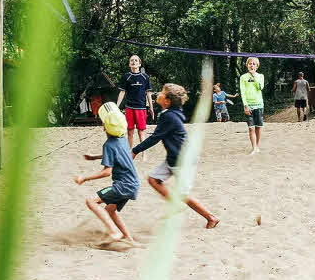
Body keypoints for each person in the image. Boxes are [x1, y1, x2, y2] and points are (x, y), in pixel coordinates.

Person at [132, 83, 220, 229]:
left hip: (183, 161)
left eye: (161, 92)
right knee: (153, 179)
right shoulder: (170, 113)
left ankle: (211, 217)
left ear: (167, 101)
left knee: (183, 194)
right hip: (173, 159)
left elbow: (155, 138)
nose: (158, 94)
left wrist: (135, 151)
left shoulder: (170, 117)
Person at [74, 102, 139, 243]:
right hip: (133, 184)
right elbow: (118, 155)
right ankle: (129, 239)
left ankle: (113, 232)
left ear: (105, 126)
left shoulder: (108, 145)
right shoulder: (122, 139)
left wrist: (84, 178)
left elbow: (106, 172)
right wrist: (95, 157)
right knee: (110, 210)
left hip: (123, 185)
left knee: (91, 201)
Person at [117, 55, 155, 153]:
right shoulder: (126, 76)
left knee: (141, 132)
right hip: (129, 107)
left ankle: (144, 154)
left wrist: (151, 108)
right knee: (129, 132)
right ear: (129, 64)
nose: (134, 62)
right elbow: (122, 92)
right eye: (131, 60)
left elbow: (148, 94)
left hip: (141, 108)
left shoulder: (145, 77)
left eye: (136, 60)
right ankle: (129, 153)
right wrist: (116, 107)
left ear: (139, 63)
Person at [239, 57, 265, 155]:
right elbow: (243, 92)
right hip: (248, 105)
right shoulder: (243, 77)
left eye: (254, 64)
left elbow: (260, 87)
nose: (252, 65)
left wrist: (254, 76)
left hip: (259, 105)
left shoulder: (260, 76)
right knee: (251, 128)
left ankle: (257, 146)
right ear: (247, 65)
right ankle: (254, 148)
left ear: (257, 66)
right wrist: (245, 105)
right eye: (250, 63)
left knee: (258, 127)